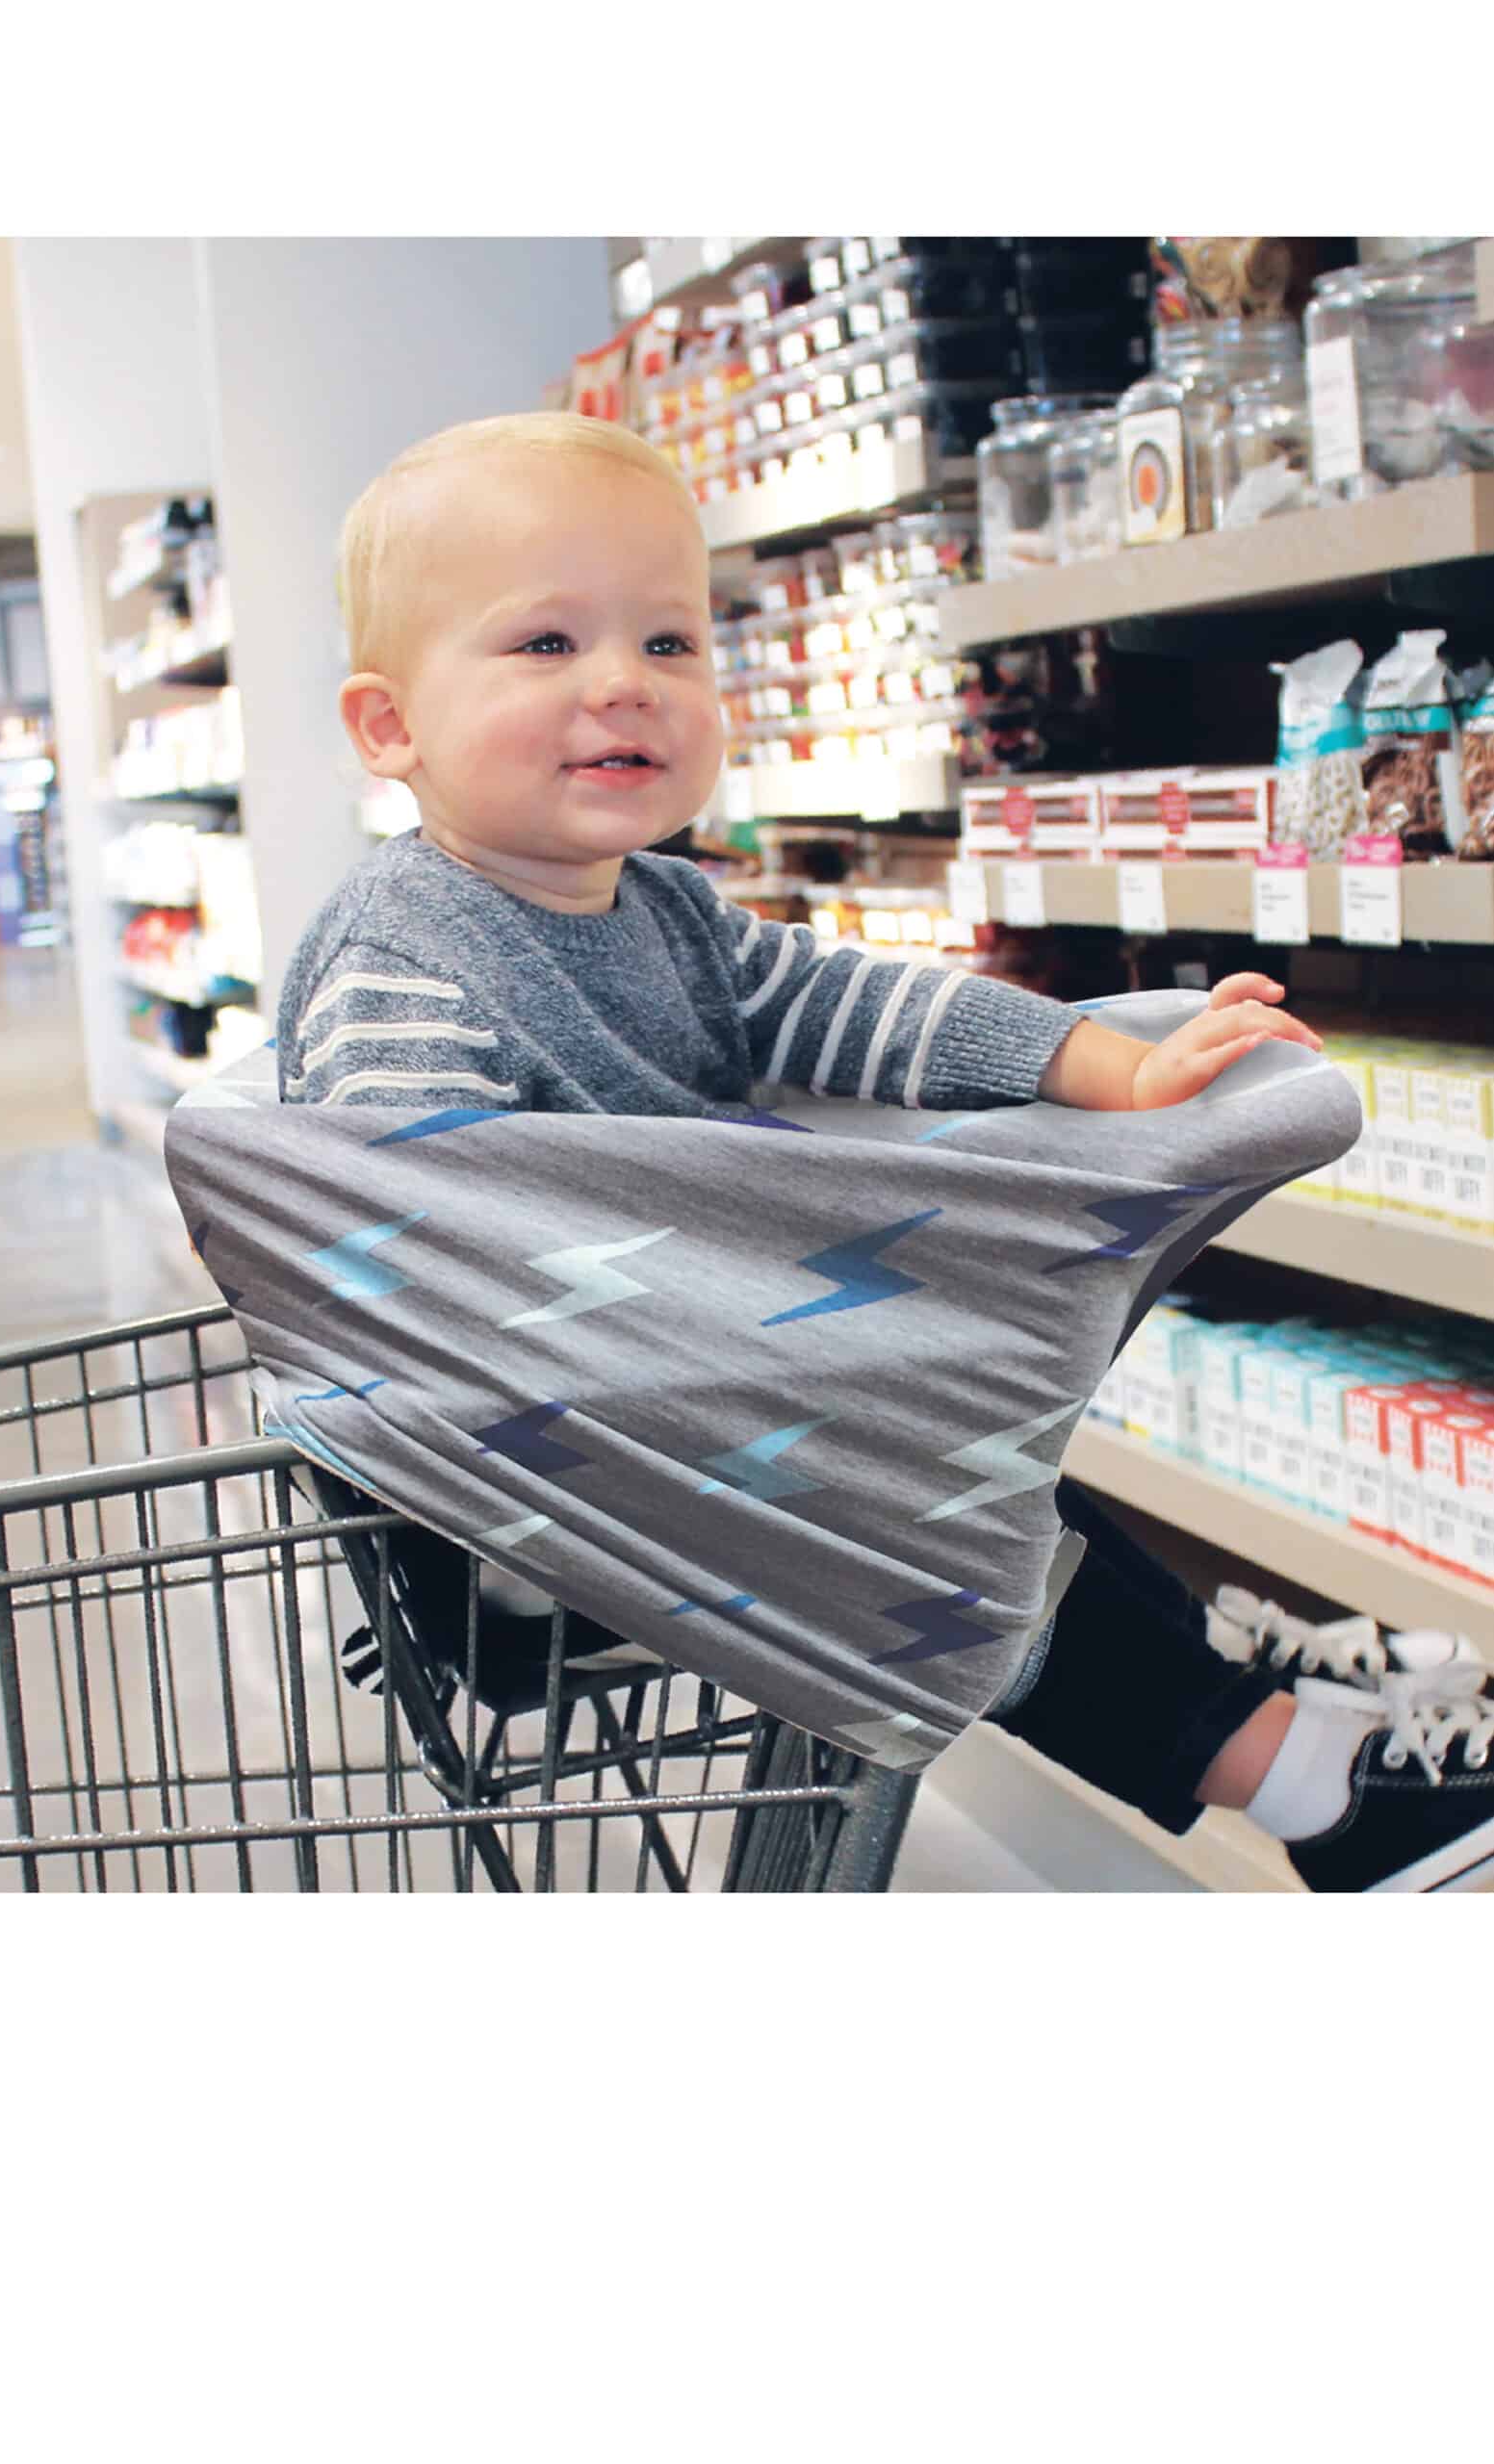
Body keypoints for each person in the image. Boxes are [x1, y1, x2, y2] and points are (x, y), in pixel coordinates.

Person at [277, 410, 1494, 1893]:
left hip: (659, 1438)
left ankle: (1266, 1694)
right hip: (526, 1507)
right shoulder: (408, 960)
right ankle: (1306, 1783)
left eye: (669, 644)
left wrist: (1101, 1061)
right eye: (543, 645)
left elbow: (839, 1001)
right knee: (921, 1528)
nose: (622, 685)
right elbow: (397, 1247)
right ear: (388, 727)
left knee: (966, 1460)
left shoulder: (658, 912)